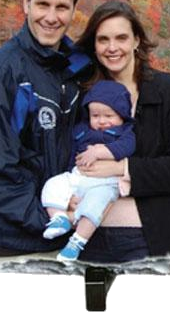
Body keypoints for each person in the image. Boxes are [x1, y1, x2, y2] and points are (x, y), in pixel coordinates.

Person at [0, 0, 91, 256]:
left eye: (62, 7)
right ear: (26, 4)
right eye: (42, 4)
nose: (51, 17)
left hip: (59, 231)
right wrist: (52, 218)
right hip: (8, 240)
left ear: (74, 11)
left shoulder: (74, 71)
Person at [72, 0, 170, 263]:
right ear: (94, 46)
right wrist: (67, 197)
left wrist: (121, 168)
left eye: (121, 38)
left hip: (152, 238)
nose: (112, 48)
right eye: (103, 39)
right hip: (87, 243)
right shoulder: (83, 96)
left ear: (136, 40)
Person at [40, 80, 136, 261]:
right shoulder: (81, 130)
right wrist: (70, 180)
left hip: (104, 183)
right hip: (79, 175)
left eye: (109, 115)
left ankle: (77, 242)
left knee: (95, 206)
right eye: (95, 115)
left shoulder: (125, 132)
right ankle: (59, 218)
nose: (102, 121)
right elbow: (72, 155)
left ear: (122, 115)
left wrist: (98, 152)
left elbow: (126, 148)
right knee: (53, 185)